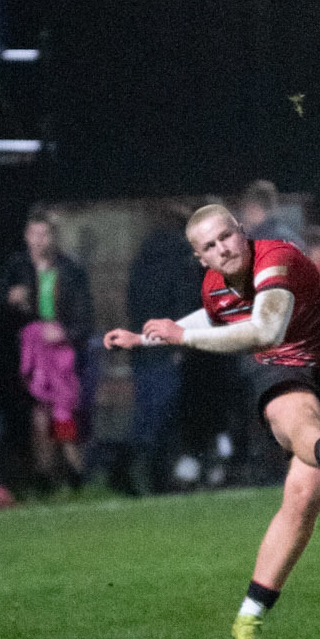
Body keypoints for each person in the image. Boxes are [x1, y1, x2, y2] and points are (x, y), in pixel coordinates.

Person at [103, 204, 320, 639]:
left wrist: (178, 338)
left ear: (242, 233)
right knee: (297, 416)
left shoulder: (277, 258)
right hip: (284, 368)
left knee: (302, 500)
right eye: (209, 246)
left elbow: (265, 328)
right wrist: (143, 338)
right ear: (200, 258)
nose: (222, 248)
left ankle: (247, 614)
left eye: (226, 236)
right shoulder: (215, 284)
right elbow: (212, 318)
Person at [0, 207, 94, 492]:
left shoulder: (70, 272)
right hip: (29, 356)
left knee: (62, 411)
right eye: (35, 234)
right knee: (38, 415)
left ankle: (71, 467)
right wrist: (8, 297)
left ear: (54, 238)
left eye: (46, 234)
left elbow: (85, 320)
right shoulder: (16, 267)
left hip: (61, 355)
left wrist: (65, 332)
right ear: (27, 236)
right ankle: (44, 473)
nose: (41, 241)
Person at [124, 209, 204, 493]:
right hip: (167, 348)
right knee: (165, 414)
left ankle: (137, 476)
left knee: (147, 412)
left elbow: (134, 305)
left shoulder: (141, 261)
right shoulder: (179, 259)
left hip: (143, 346)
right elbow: (183, 301)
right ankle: (157, 477)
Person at [238, 179, 299, 245]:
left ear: (253, 208)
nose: (245, 213)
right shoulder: (289, 236)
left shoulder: (257, 239)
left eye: (246, 207)